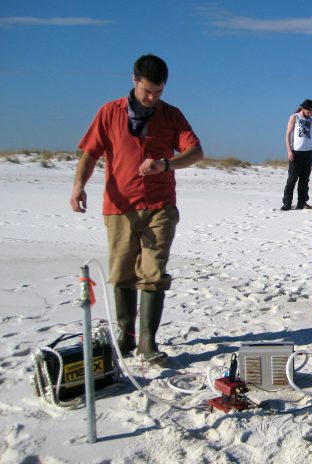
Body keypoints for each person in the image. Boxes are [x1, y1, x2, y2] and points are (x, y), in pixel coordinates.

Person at [70, 54, 204, 366]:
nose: (153, 98)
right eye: (147, 91)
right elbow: (90, 152)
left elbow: (196, 151)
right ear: (134, 81)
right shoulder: (109, 112)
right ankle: (126, 335)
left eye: (159, 92)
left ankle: (147, 342)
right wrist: (78, 186)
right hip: (119, 207)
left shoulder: (171, 115)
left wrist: (166, 164)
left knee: (154, 273)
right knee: (122, 273)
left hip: (160, 207)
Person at [281, 99, 312, 211]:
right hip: (296, 151)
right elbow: (287, 135)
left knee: (304, 179)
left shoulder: (310, 120)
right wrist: (289, 151)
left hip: (308, 152)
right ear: (302, 108)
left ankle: (302, 202)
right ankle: (287, 203)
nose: (309, 113)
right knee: (292, 179)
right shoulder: (295, 117)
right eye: (308, 110)